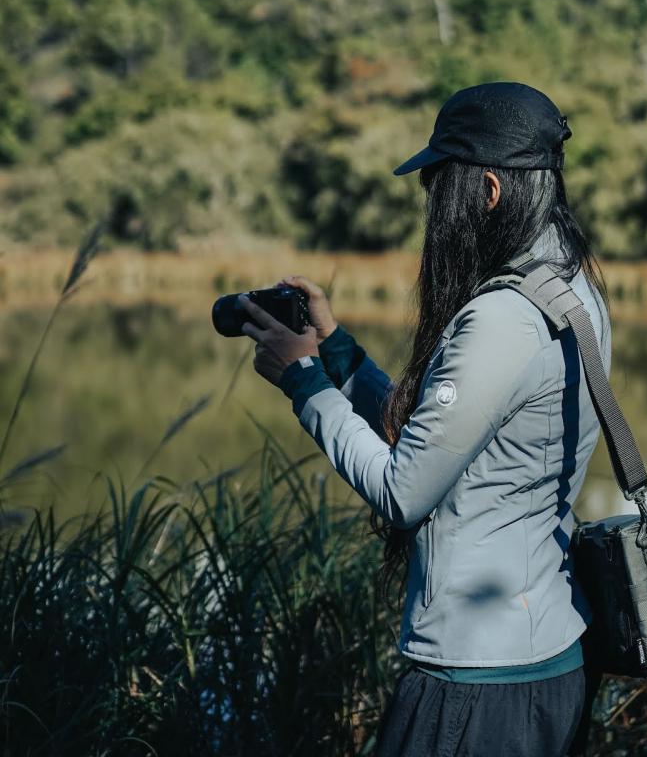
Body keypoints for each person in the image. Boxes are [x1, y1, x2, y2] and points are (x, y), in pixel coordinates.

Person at [240, 81, 611, 757]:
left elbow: (402, 491)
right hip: (547, 656)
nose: (433, 208)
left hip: (476, 680)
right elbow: (444, 436)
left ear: (490, 191)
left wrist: (303, 382)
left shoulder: (502, 318)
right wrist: (338, 350)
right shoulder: (569, 290)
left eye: (440, 187)